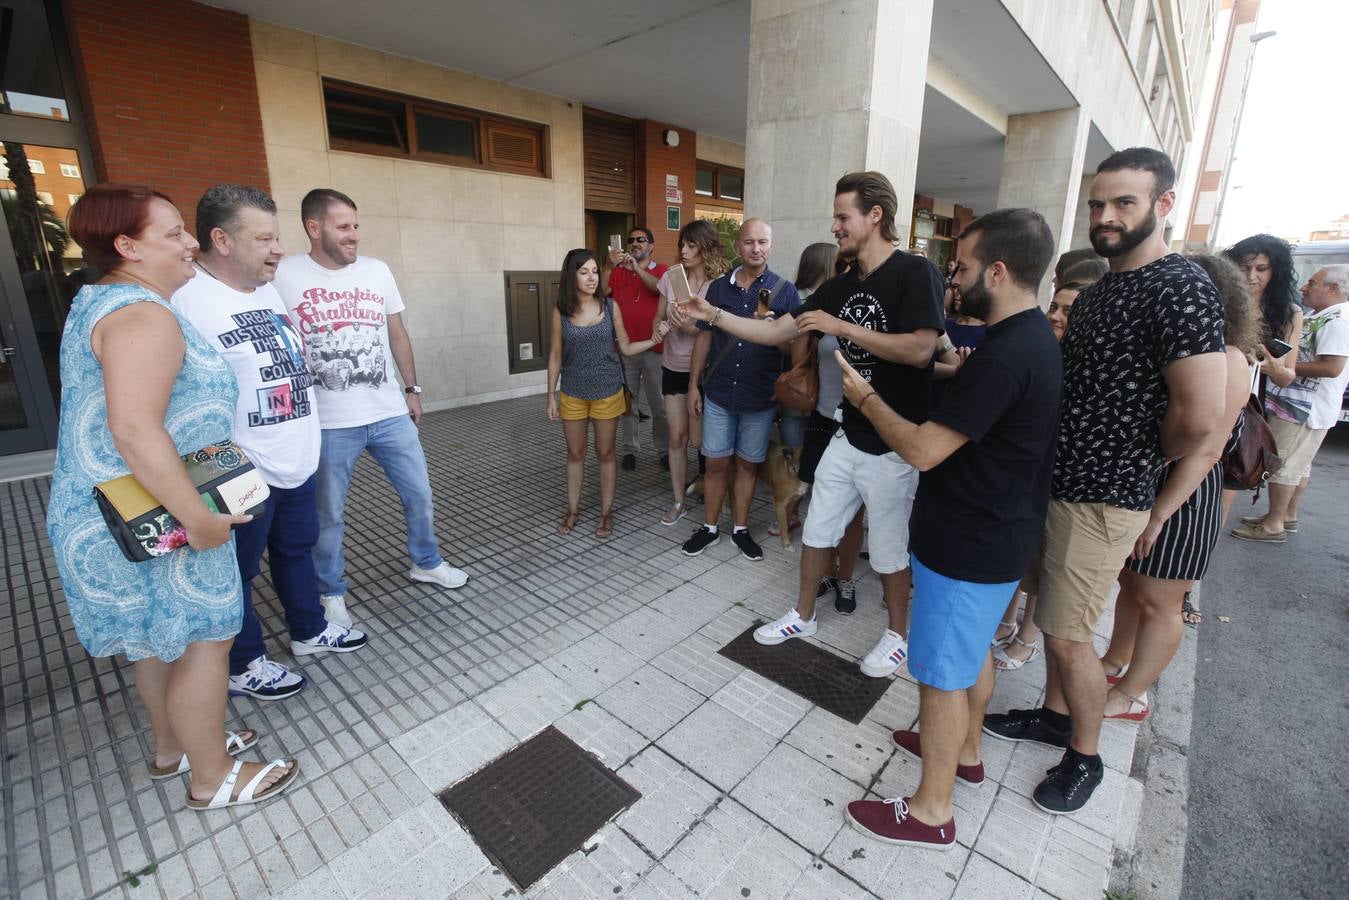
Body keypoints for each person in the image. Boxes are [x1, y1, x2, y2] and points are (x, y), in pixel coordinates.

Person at [983, 148, 1228, 815]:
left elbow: (1200, 417)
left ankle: (1085, 757)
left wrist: (1139, 459)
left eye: (1124, 202)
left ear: (1163, 204)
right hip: (1058, 485)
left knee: (1068, 636)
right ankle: (1053, 718)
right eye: (1098, 204)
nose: (1106, 216)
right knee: (1053, 619)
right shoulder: (1098, 292)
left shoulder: (1179, 286)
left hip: (1104, 498)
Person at [48, 184, 296, 809]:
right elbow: (134, 429)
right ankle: (213, 777)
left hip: (121, 510)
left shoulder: (104, 301)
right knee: (203, 641)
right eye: (173, 233)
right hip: (155, 512)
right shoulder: (143, 315)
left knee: (160, 638)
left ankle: (174, 750)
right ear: (127, 246)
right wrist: (198, 519)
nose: (190, 243)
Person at [841, 207, 1061, 850]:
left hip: (967, 547)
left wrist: (865, 399)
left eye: (962, 267)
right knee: (970, 657)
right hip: (997, 537)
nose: (953, 279)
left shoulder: (1007, 355)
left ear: (998, 271)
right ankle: (964, 753)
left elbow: (923, 450)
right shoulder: (1029, 339)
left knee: (940, 677)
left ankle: (931, 810)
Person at [675, 172, 945, 678]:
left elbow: (921, 349)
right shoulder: (839, 286)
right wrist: (713, 314)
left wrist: (842, 328)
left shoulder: (915, 273)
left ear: (875, 216)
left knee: (889, 549)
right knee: (817, 529)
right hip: (847, 429)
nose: (835, 226)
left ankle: (898, 637)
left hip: (894, 439)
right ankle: (803, 615)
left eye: (843, 216)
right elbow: (774, 329)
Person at [172, 184, 367, 702]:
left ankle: (308, 630)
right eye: (264, 239)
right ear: (222, 240)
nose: (278, 249)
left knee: (296, 549)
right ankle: (243, 664)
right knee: (236, 572)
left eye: (277, 237)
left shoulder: (265, 290)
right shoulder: (186, 300)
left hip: (296, 456)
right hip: (238, 468)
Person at [274, 189, 468, 630]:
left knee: (419, 494)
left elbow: (397, 333)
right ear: (313, 227)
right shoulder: (284, 276)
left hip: (388, 413)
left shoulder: (377, 271)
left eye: (356, 226)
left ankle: (426, 562)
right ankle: (330, 592)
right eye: (343, 227)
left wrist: (412, 389)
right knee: (328, 515)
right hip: (328, 422)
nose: (354, 235)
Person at [1096, 254, 1257, 719]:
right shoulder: (1176, 348)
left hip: (1185, 493)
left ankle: (1132, 693)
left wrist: (1159, 514)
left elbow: (1206, 452)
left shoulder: (1230, 360)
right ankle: (1115, 662)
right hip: (1149, 480)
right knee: (1131, 583)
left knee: (1160, 601)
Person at [992, 271, 1102, 671]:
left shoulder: (1091, 363)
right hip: (1027, 473)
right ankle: (1006, 620)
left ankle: (1026, 637)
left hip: (1067, 479)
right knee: (1021, 552)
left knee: (1045, 562)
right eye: (1053, 306)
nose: (1055, 315)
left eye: (1068, 310)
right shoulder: (1042, 349)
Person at [678, 218, 802, 562]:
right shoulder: (718, 288)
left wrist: (774, 333)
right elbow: (704, 337)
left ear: (771, 247)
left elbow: (795, 349)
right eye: (749, 242)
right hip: (719, 392)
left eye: (763, 242)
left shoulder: (785, 291)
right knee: (715, 464)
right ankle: (710, 528)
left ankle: (741, 529)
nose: (756, 248)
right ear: (738, 246)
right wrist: (693, 386)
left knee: (748, 466)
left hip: (760, 396)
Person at [548, 248, 669, 538]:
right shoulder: (560, 311)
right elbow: (555, 355)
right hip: (572, 392)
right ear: (571, 276)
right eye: (584, 272)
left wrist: (654, 339)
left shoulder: (610, 306)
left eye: (594, 271)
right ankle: (573, 509)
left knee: (605, 453)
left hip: (608, 391)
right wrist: (550, 394)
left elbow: (625, 346)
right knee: (575, 453)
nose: (592, 278)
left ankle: (606, 512)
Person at [1230, 265, 1349, 543]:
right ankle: (1286, 516)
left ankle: (1273, 525)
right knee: (1299, 465)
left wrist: (1284, 366)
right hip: (1302, 405)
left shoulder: (1338, 320)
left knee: (1283, 465)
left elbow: (1332, 367)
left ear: (1333, 288)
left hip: (1303, 408)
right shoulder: (1324, 316)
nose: (1304, 287)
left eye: (1313, 282)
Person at [656, 220, 727, 526]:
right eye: (682, 245)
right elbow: (657, 316)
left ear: (706, 248)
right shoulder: (671, 277)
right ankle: (678, 500)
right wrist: (661, 326)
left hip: (707, 371)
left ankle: (715, 496)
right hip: (673, 366)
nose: (683, 251)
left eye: (691, 245)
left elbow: (721, 329)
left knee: (701, 442)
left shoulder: (720, 284)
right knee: (677, 437)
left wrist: (690, 327)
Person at [768, 242, 839, 540]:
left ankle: (792, 514)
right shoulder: (813, 301)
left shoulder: (794, 295)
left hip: (800, 394)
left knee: (795, 454)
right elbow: (796, 351)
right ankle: (799, 514)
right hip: (818, 394)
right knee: (811, 458)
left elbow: (786, 347)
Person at [603, 226, 670, 472]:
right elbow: (602, 292)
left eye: (641, 240)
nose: (634, 243)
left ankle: (664, 450)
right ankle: (630, 449)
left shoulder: (662, 271)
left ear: (651, 246)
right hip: (624, 349)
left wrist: (637, 270)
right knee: (627, 404)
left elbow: (660, 289)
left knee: (659, 405)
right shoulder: (618, 272)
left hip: (654, 347)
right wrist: (608, 266)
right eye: (631, 240)